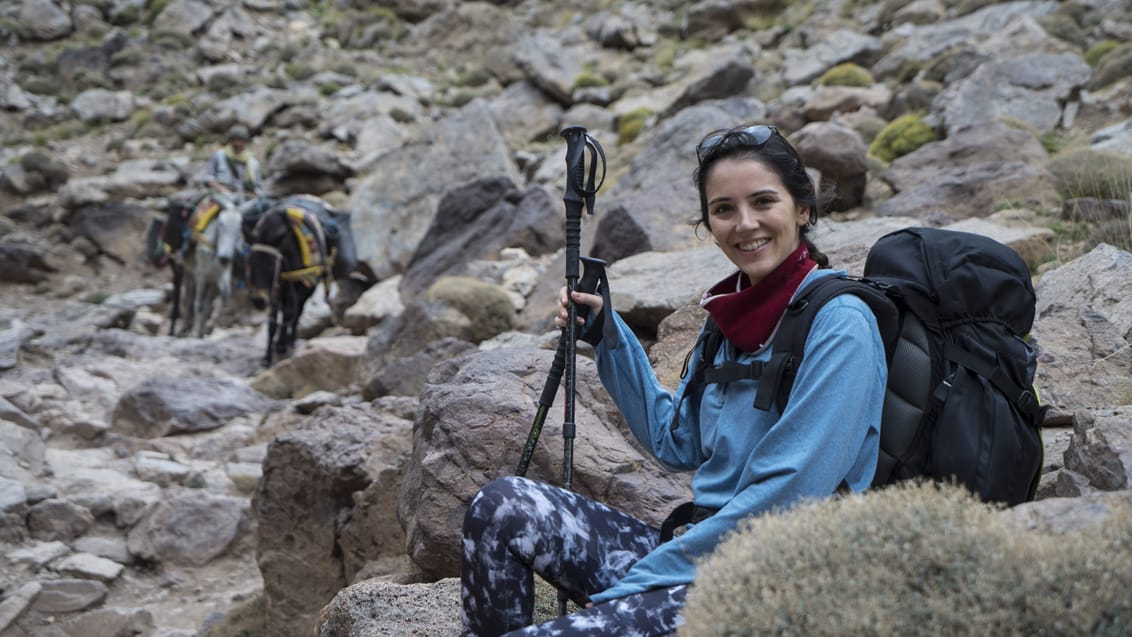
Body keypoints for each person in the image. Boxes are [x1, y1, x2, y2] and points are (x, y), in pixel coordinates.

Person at [458, 124, 889, 637]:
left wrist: (634, 586)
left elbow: (789, 495)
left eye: (763, 201)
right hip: (701, 557)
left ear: (802, 209)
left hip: (774, 581)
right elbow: (675, 439)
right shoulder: (730, 319)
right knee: (501, 506)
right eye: (724, 209)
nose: (745, 223)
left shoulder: (840, 324)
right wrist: (608, 335)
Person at [199, 124, 263, 197]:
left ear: (245, 141)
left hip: (243, 200)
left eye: (240, 140)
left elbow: (259, 187)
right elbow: (208, 176)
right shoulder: (219, 156)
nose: (236, 143)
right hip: (220, 196)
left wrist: (252, 195)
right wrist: (221, 189)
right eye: (233, 139)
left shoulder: (253, 163)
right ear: (229, 141)